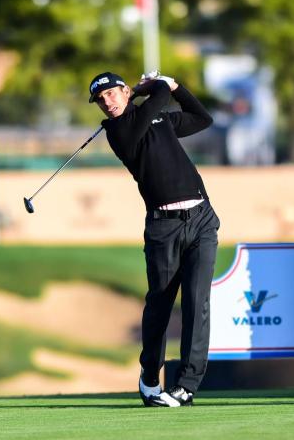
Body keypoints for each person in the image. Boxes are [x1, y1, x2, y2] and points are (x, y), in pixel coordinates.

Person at [89, 70, 220, 407]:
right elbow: (152, 104)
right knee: (160, 303)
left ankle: (187, 384)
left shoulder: (159, 117)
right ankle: (150, 376)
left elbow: (201, 118)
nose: (107, 103)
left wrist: (177, 87)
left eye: (111, 94)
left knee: (196, 301)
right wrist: (161, 86)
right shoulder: (118, 132)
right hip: (164, 228)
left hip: (201, 219)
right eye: (100, 100)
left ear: (124, 91)